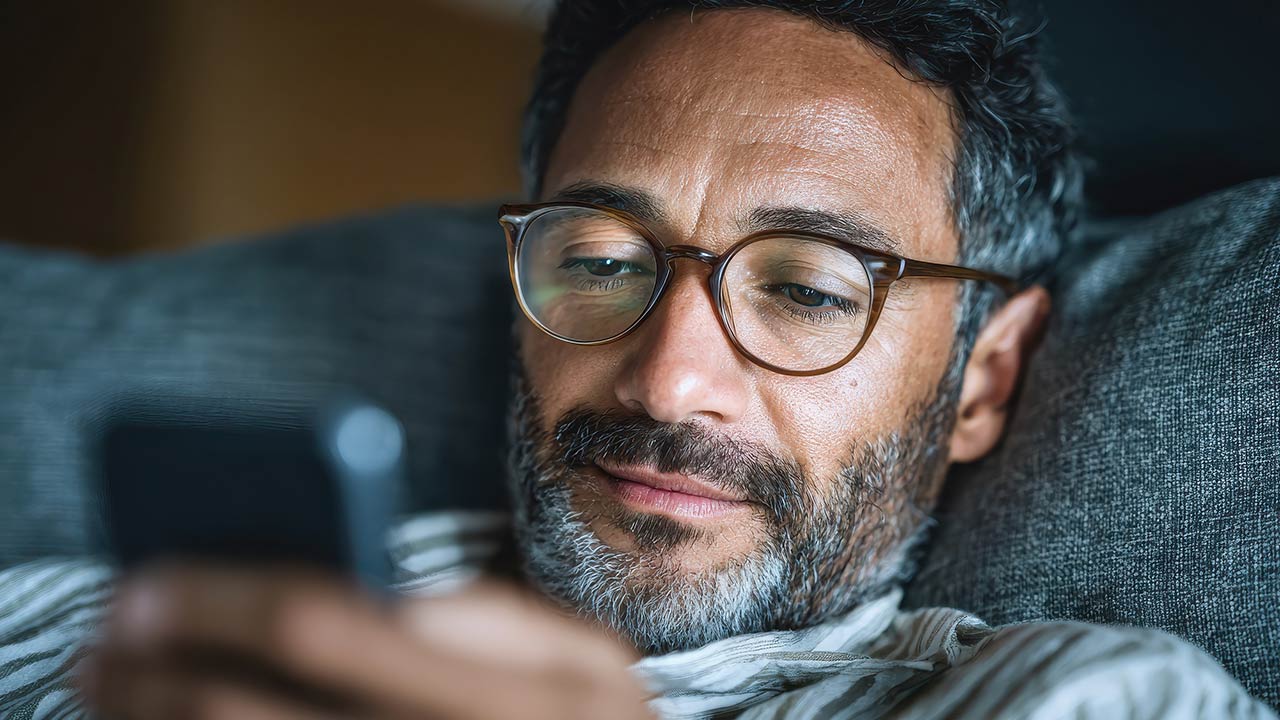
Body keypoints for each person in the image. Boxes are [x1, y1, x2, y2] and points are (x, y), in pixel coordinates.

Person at [1, 1, 1273, 718]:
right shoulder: (112, 626)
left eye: (807, 290)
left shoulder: (1094, 699)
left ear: (980, 382)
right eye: (604, 263)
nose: (667, 384)